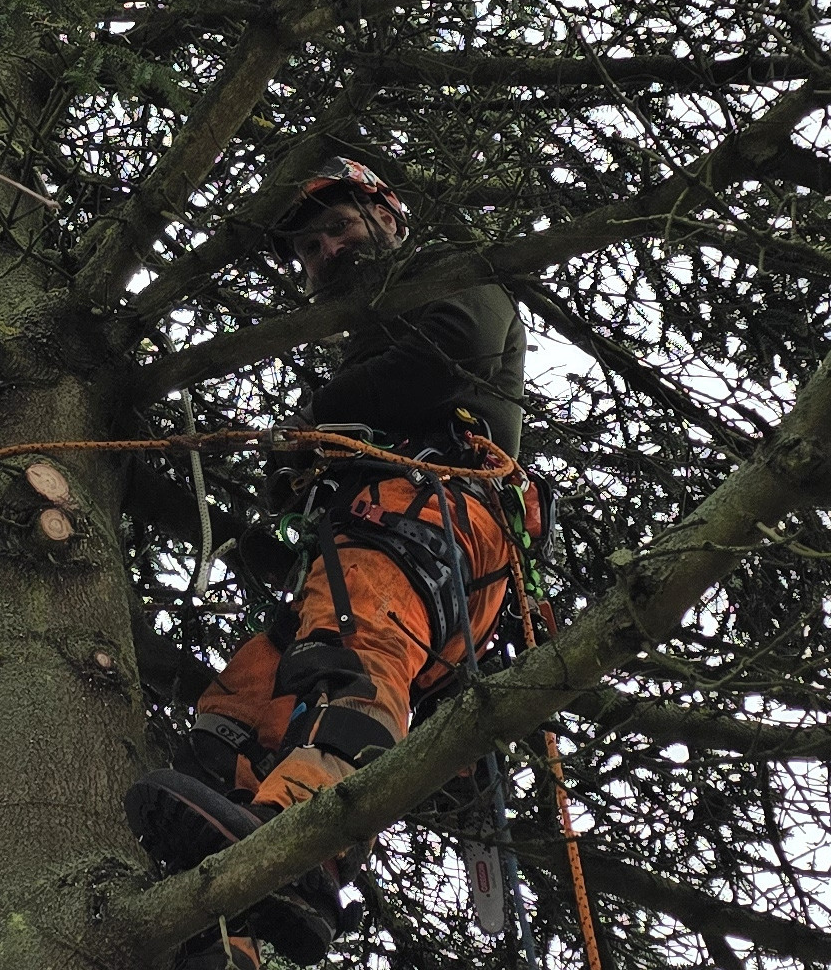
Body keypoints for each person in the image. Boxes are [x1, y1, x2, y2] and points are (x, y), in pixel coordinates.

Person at [126, 157, 529, 969]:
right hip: (367, 528)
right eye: (309, 248)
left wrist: (314, 419)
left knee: (349, 664)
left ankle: (305, 849)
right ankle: (218, 917)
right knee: (243, 703)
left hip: (431, 505)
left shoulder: (446, 272)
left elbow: (442, 356)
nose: (325, 253)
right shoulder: (361, 348)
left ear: (388, 215)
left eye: (338, 229)